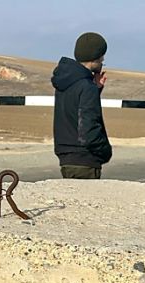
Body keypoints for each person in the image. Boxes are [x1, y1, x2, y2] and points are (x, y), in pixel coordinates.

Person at [51, 32, 112, 179]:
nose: (103, 59)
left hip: (66, 158)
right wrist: (105, 152)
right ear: (95, 56)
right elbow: (88, 130)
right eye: (101, 56)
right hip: (85, 161)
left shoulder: (65, 82)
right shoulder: (86, 87)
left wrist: (96, 90)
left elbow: (73, 112)